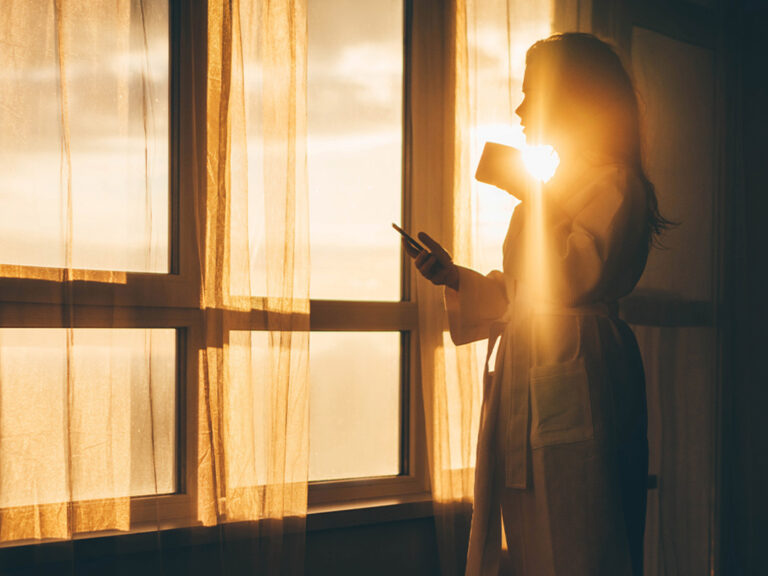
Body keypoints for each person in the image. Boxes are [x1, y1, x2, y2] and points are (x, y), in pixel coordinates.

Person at [405, 33, 671, 576]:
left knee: (584, 534)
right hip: (532, 377)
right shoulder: (554, 185)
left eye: (532, 95)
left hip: (580, 369)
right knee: (527, 539)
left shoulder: (615, 183)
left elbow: (574, 276)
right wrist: (454, 276)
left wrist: (534, 194)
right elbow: (520, 293)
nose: (521, 109)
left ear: (571, 98)